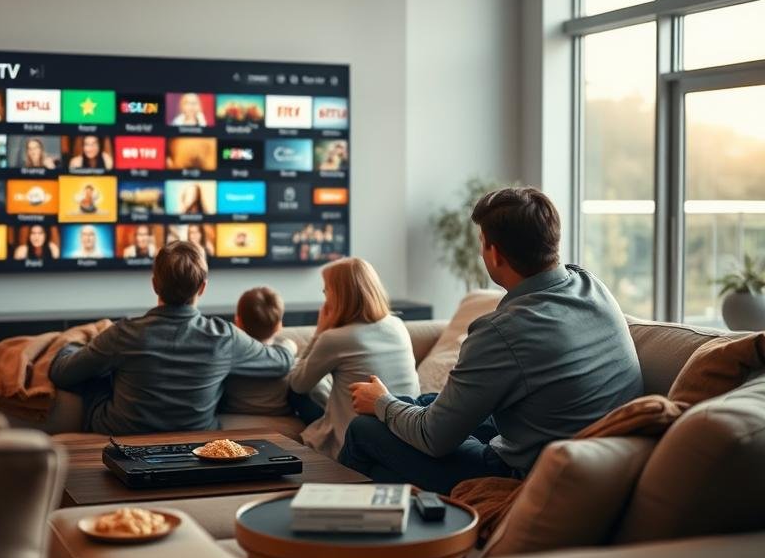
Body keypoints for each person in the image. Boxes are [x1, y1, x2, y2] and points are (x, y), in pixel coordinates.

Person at [339, 187, 644, 493]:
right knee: (426, 403)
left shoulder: (502, 330)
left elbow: (434, 438)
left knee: (364, 429)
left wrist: (381, 402)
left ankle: (328, 516)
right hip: (596, 459)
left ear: (494, 253)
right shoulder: (592, 285)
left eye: (482, 244)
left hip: (525, 474)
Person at [49, 241, 297, 434]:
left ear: (155, 284)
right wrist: (287, 342)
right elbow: (281, 362)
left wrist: (71, 343)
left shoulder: (122, 333)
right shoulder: (225, 337)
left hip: (122, 432)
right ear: (202, 288)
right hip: (196, 435)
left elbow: (62, 373)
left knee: (98, 376)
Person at [287, 257, 418, 460]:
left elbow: (298, 384)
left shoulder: (335, 338)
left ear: (339, 296)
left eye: (326, 291)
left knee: (295, 392)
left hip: (356, 439)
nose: (324, 297)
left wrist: (319, 331)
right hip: (404, 430)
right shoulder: (397, 324)